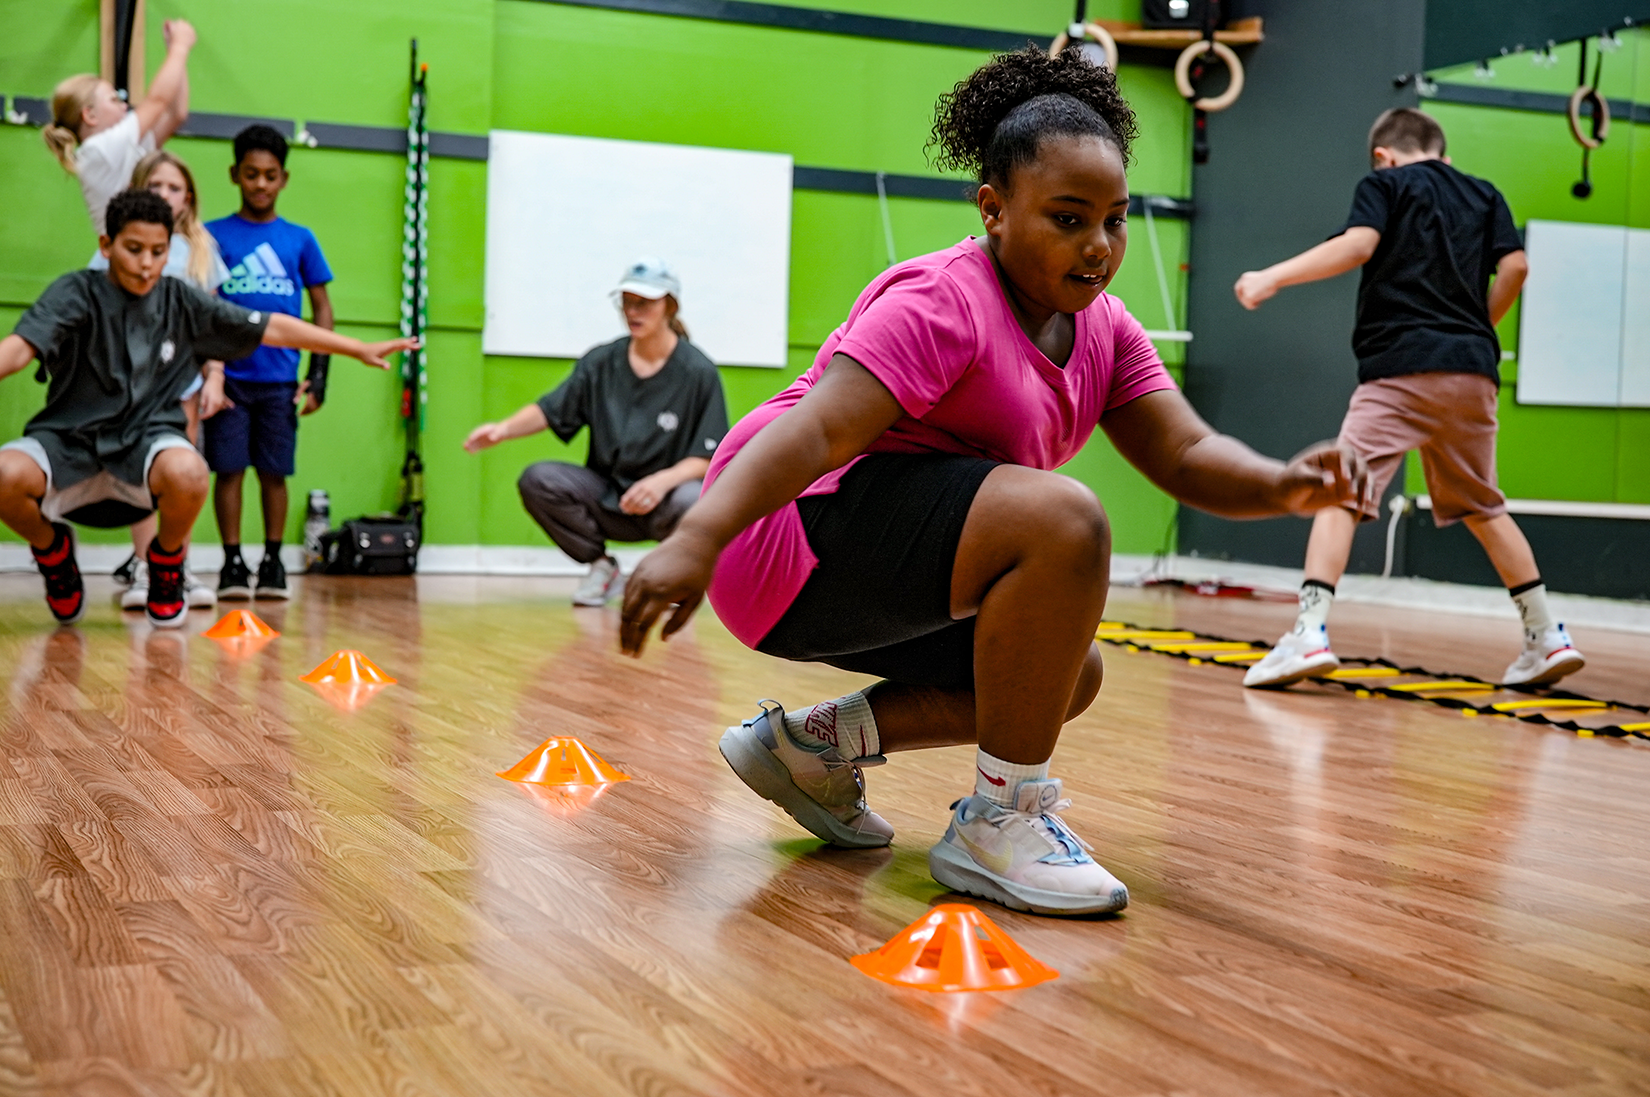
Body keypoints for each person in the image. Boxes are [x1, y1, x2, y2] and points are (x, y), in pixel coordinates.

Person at [618, 48, 1369, 917]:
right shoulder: (943, 299)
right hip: (778, 531)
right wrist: (696, 538)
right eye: (1068, 217)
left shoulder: (1105, 330)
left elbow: (1187, 454)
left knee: (1064, 673)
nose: (1099, 245)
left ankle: (809, 747)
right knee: (1065, 520)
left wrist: (1284, 484)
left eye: (1115, 221)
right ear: (995, 208)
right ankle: (999, 820)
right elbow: (820, 428)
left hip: (854, 555)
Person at [1233, 108, 1583, 690]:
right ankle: (1547, 636)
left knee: (1340, 491)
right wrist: (1477, 328)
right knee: (1483, 505)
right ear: (1442, 154)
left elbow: (1358, 243)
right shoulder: (1483, 192)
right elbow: (1517, 266)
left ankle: (1309, 633)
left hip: (1400, 367)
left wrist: (1271, 277)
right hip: (1473, 373)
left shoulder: (1385, 184)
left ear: (1383, 156)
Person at [0, 190, 415, 628]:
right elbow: (18, 350)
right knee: (5, 474)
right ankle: (52, 552)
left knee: (193, 470)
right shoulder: (75, 292)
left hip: (145, 445)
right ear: (107, 246)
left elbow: (271, 326)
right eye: (133, 249)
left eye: (158, 252)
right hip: (69, 444)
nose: (146, 263)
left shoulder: (182, 301)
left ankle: (165, 562)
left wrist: (355, 348)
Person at [464, 258, 729, 606]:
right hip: (610, 498)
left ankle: (672, 575)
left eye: (644, 303)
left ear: (669, 305)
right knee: (539, 479)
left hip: (665, 501)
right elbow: (550, 409)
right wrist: (503, 429)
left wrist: (661, 481)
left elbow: (709, 456)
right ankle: (602, 569)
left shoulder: (699, 372)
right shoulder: (601, 362)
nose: (633, 312)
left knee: (693, 498)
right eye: (627, 302)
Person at [91, 150, 231, 612]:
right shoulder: (114, 245)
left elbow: (214, 325)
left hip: (183, 382)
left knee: (182, 474)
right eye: (155, 187)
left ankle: (177, 568)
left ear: (188, 199)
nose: (165, 195)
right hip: (129, 382)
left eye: (174, 188)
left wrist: (215, 376)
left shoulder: (201, 248)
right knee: (138, 475)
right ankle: (145, 568)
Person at [205, 125, 335, 601]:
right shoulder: (213, 236)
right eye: (251, 174)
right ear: (235, 174)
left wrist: (319, 374)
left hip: (279, 381)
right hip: (229, 379)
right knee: (229, 470)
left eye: (271, 176)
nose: (260, 184)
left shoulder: (299, 240)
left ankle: (273, 561)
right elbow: (203, 303)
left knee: (274, 472)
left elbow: (323, 309)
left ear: (284, 179)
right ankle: (233, 562)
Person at [42, 19, 196, 236]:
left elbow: (176, 114)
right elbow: (157, 101)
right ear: (90, 115)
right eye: (114, 99)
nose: (124, 106)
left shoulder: (123, 147)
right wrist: (181, 47)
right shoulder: (99, 149)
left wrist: (176, 53)